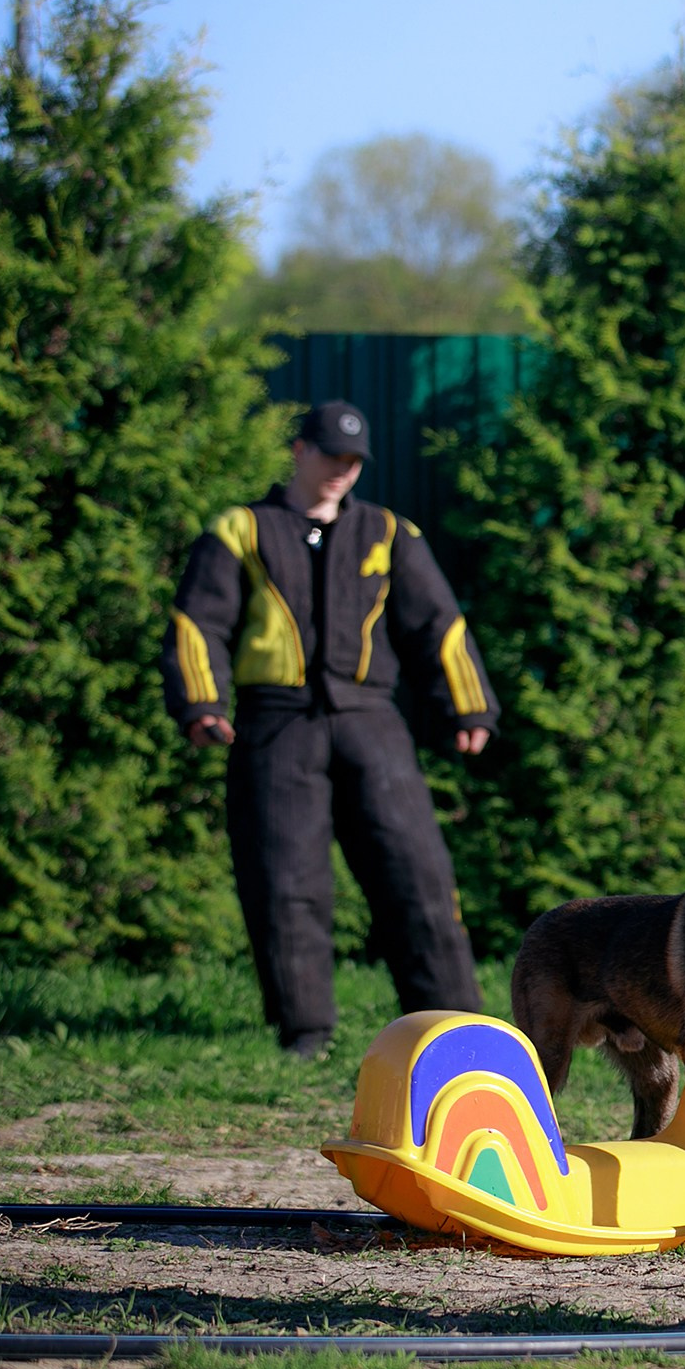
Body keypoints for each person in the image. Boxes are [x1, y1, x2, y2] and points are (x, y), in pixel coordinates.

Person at [159, 401, 499, 1057]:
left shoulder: (389, 532)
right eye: (331, 455)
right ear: (300, 451)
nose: (343, 470)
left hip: (371, 722)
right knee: (286, 881)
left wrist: (469, 706)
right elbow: (198, 621)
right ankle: (305, 1032)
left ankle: (453, 1030)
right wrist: (203, 703)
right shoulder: (240, 529)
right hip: (276, 724)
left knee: (418, 873)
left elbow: (438, 625)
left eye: (354, 461)